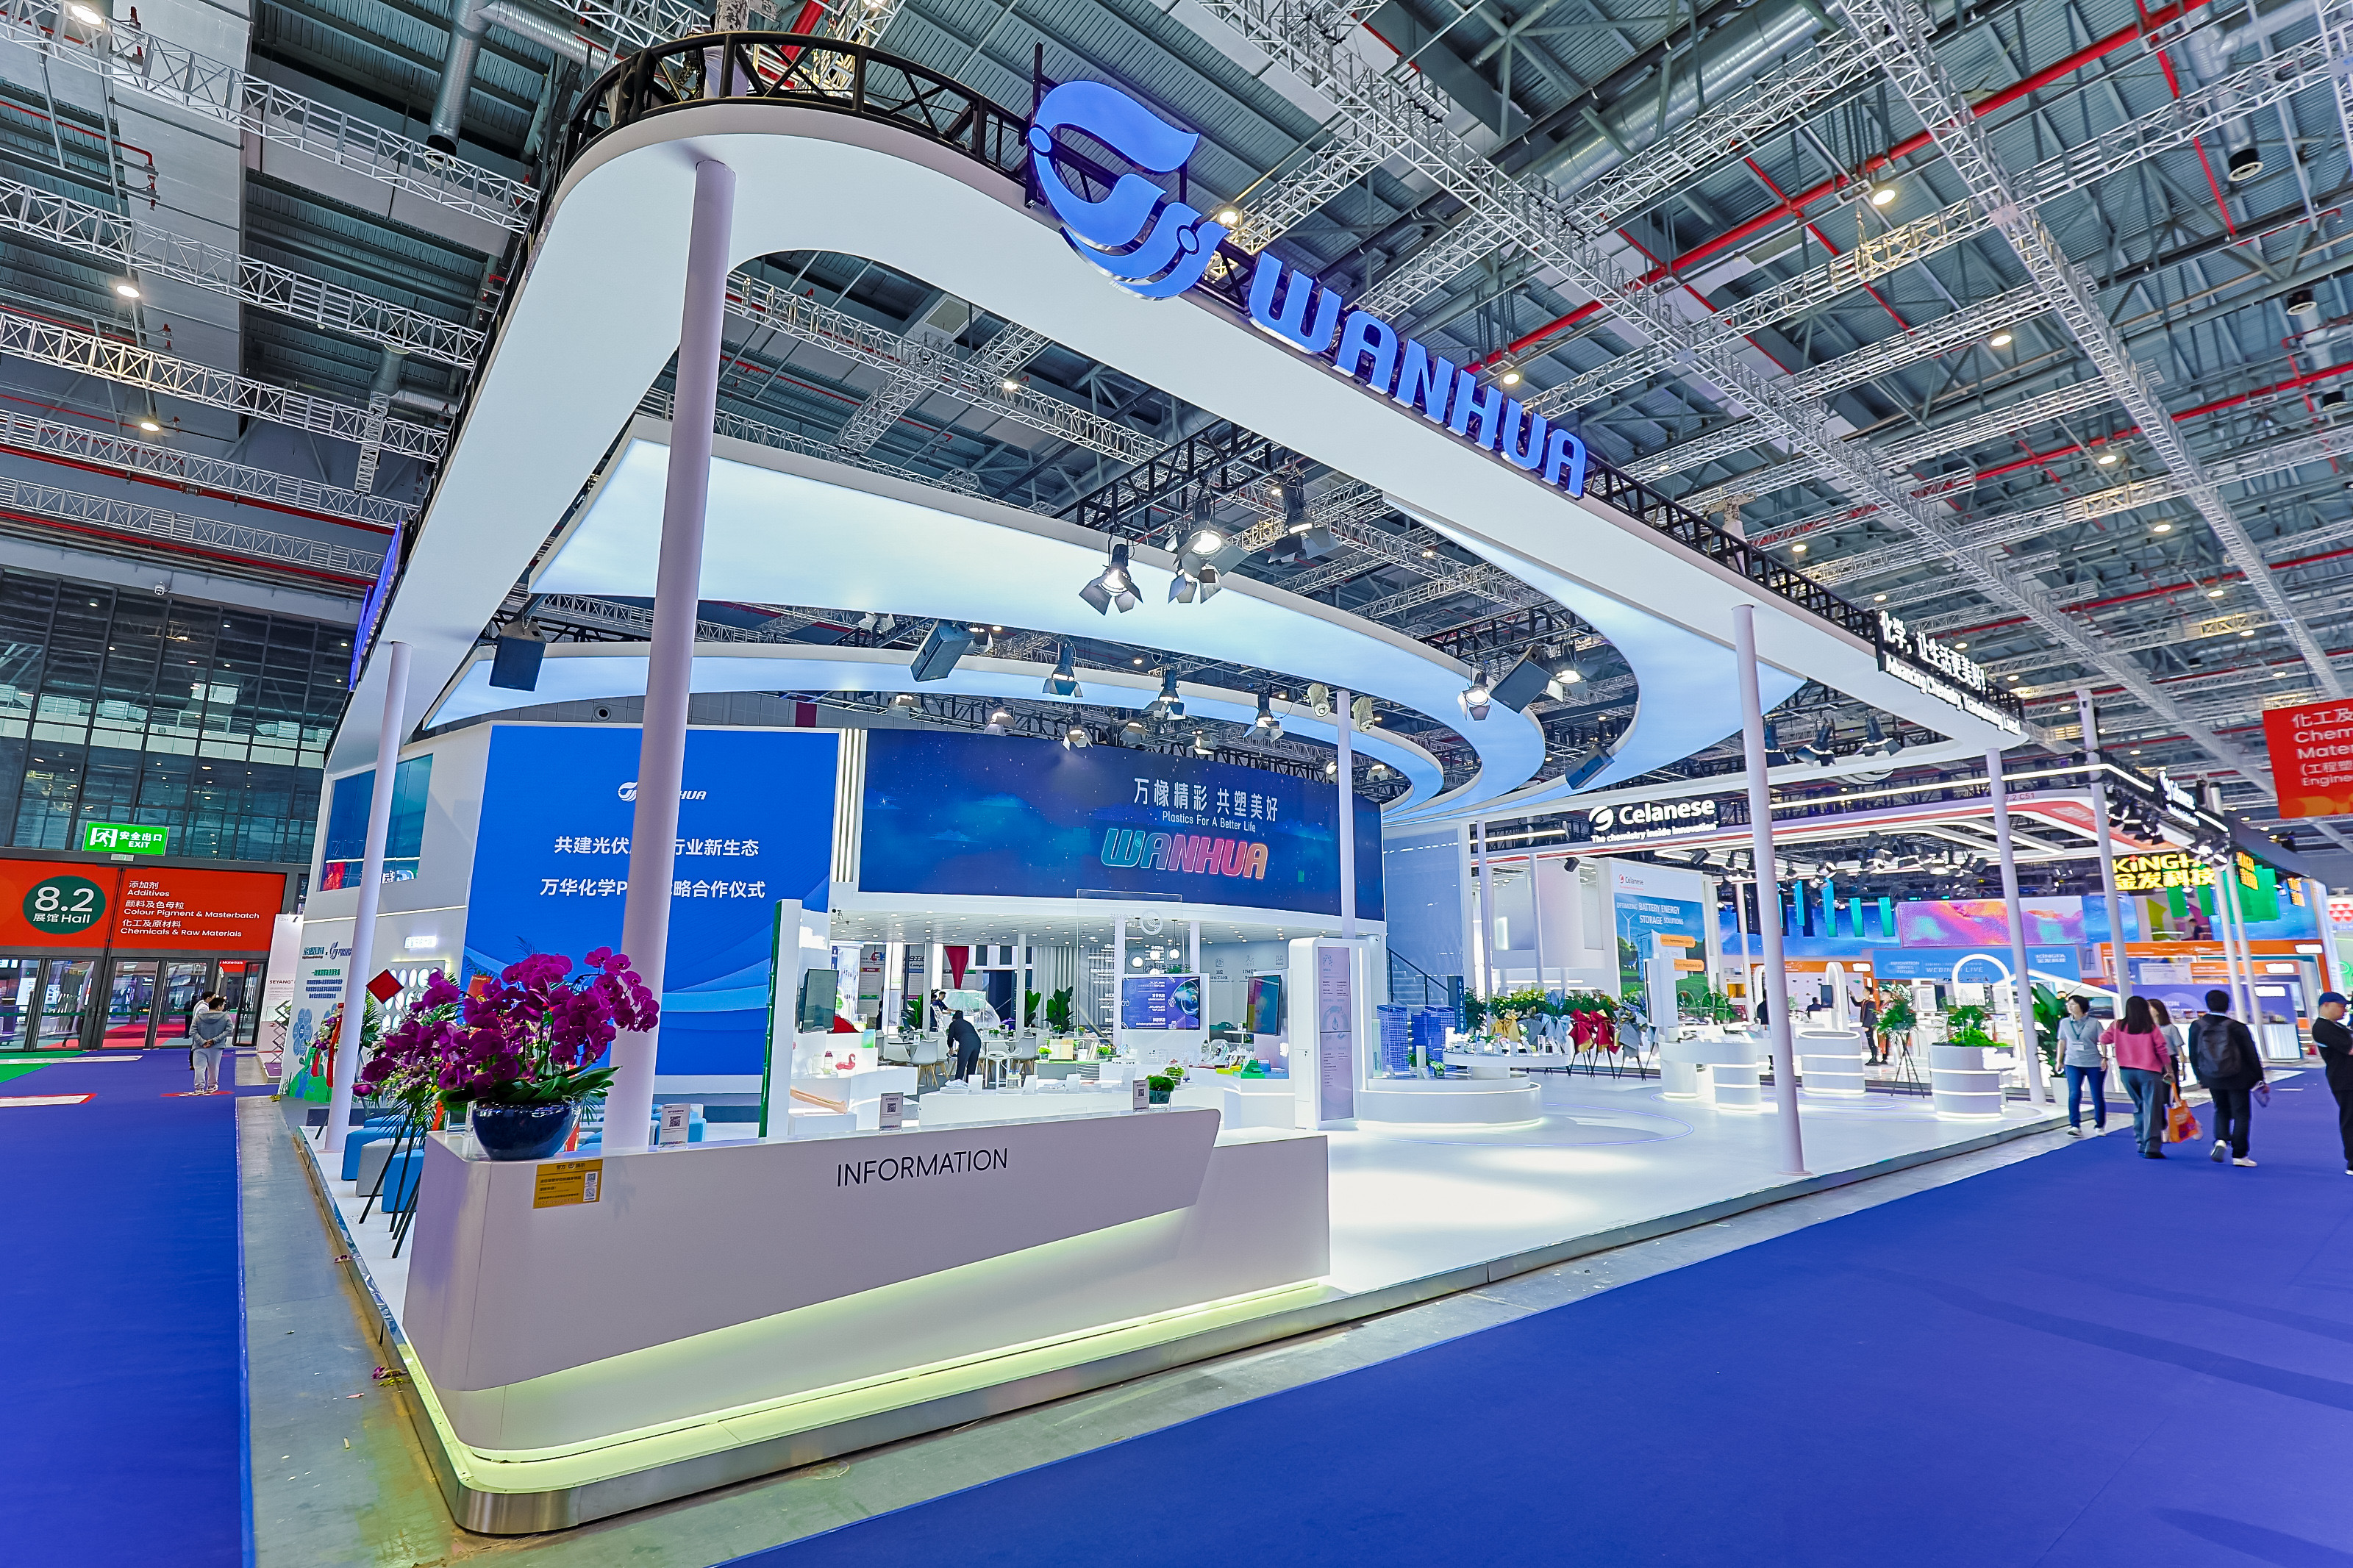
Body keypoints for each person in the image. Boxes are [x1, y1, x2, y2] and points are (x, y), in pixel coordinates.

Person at [2189, 987, 2266, 1167]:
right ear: (2228, 1005)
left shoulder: (2197, 1026)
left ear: (2208, 1004)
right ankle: (2240, 1155)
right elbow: (2251, 1055)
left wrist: (2200, 1076)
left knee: (2221, 1108)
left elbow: (2194, 1054)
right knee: (2241, 1114)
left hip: (2211, 1076)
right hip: (2238, 1077)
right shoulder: (2237, 1027)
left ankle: (2221, 1140)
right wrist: (2259, 1079)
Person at [2102, 995, 2174, 1159]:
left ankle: (2141, 1142)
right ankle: (2152, 1146)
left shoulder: (2117, 1025)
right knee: (2152, 1108)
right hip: (2149, 1072)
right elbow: (2162, 1050)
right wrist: (2169, 1070)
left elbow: (2104, 1039)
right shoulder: (2151, 1028)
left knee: (2139, 1106)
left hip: (2126, 1072)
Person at [2313, 991, 2353, 1175]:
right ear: (2326, 1005)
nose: (2344, 1010)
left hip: (2347, 1078)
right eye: (2341, 1006)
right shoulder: (2322, 1028)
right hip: (2345, 1080)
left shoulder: (2336, 1026)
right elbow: (2350, 1049)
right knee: (2350, 1120)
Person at [2057, 995, 2108, 1136]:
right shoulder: (2065, 1023)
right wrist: (2059, 1061)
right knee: (2074, 1094)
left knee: (2097, 1095)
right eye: (2069, 1004)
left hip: (2093, 1063)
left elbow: (2102, 1041)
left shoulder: (2094, 1023)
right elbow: (2062, 1041)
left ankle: (2100, 1125)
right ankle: (2075, 1125)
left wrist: (2105, 1057)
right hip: (2072, 1062)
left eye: (2073, 1004)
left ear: (2082, 1006)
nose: (2069, 1006)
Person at [188, 992, 233, 1095]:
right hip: (216, 1047)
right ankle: (212, 1086)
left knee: (199, 1068)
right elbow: (228, 1031)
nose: (223, 1007)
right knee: (213, 1067)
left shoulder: (199, 1017)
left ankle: (199, 1088)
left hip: (199, 1047)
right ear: (218, 1007)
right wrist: (214, 1041)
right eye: (223, 1005)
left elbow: (192, 1031)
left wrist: (202, 1042)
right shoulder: (226, 1017)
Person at [946, 1006, 983, 1084]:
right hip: (977, 1042)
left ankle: (958, 1084)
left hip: (966, 1042)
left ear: (954, 1018)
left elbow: (950, 1037)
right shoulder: (968, 1023)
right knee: (972, 1066)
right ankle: (970, 1085)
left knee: (961, 1064)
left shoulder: (954, 1024)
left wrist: (950, 1048)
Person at [1859, 997, 1882, 1064]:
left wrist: (1867, 1025)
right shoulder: (1866, 1002)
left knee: (1871, 1041)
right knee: (1870, 1040)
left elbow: (1870, 1015)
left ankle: (1874, 1057)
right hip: (1869, 1024)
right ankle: (1873, 1057)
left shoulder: (1871, 1002)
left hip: (1870, 1024)